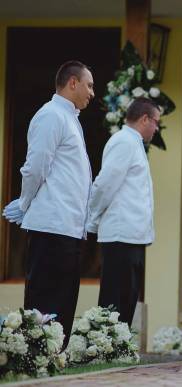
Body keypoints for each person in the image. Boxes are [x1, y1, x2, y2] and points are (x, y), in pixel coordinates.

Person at [2, 60, 94, 346]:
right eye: (89, 85)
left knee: (65, 297)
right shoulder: (51, 115)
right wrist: (26, 202)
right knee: (45, 297)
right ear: (73, 83)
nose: (92, 93)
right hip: (52, 225)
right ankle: (35, 353)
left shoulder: (70, 119)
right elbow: (36, 166)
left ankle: (56, 353)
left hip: (68, 226)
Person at [86, 97, 159, 325]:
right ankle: (107, 344)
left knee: (128, 294)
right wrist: (92, 219)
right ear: (145, 118)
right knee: (116, 296)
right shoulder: (123, 142)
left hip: (133, 234)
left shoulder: (133, 142)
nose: (157, 128)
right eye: (156, 122)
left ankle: (119, 344)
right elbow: (105, 183)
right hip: (120, 233)